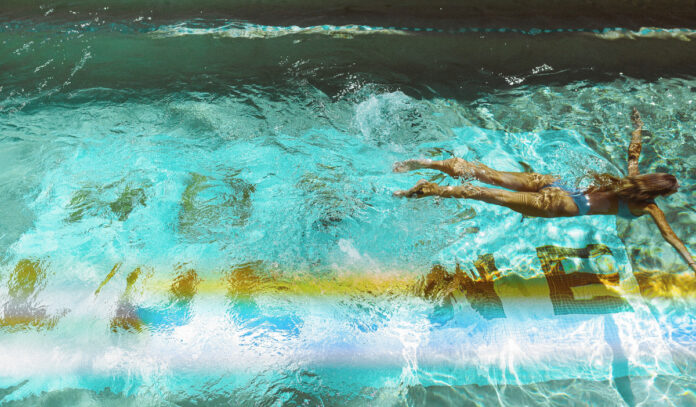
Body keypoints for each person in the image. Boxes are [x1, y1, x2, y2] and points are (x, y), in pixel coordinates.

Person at [393, 108, 696, 273]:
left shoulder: (633, 179)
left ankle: (427, 163)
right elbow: (671, 237)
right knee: (486, 194)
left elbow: (633, 152)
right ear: (660, 194)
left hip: (557, 183)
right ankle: (429, 189)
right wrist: (692, 262)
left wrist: (638, 126)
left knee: (487, 173)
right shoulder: (648, 207)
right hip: (560, 204)